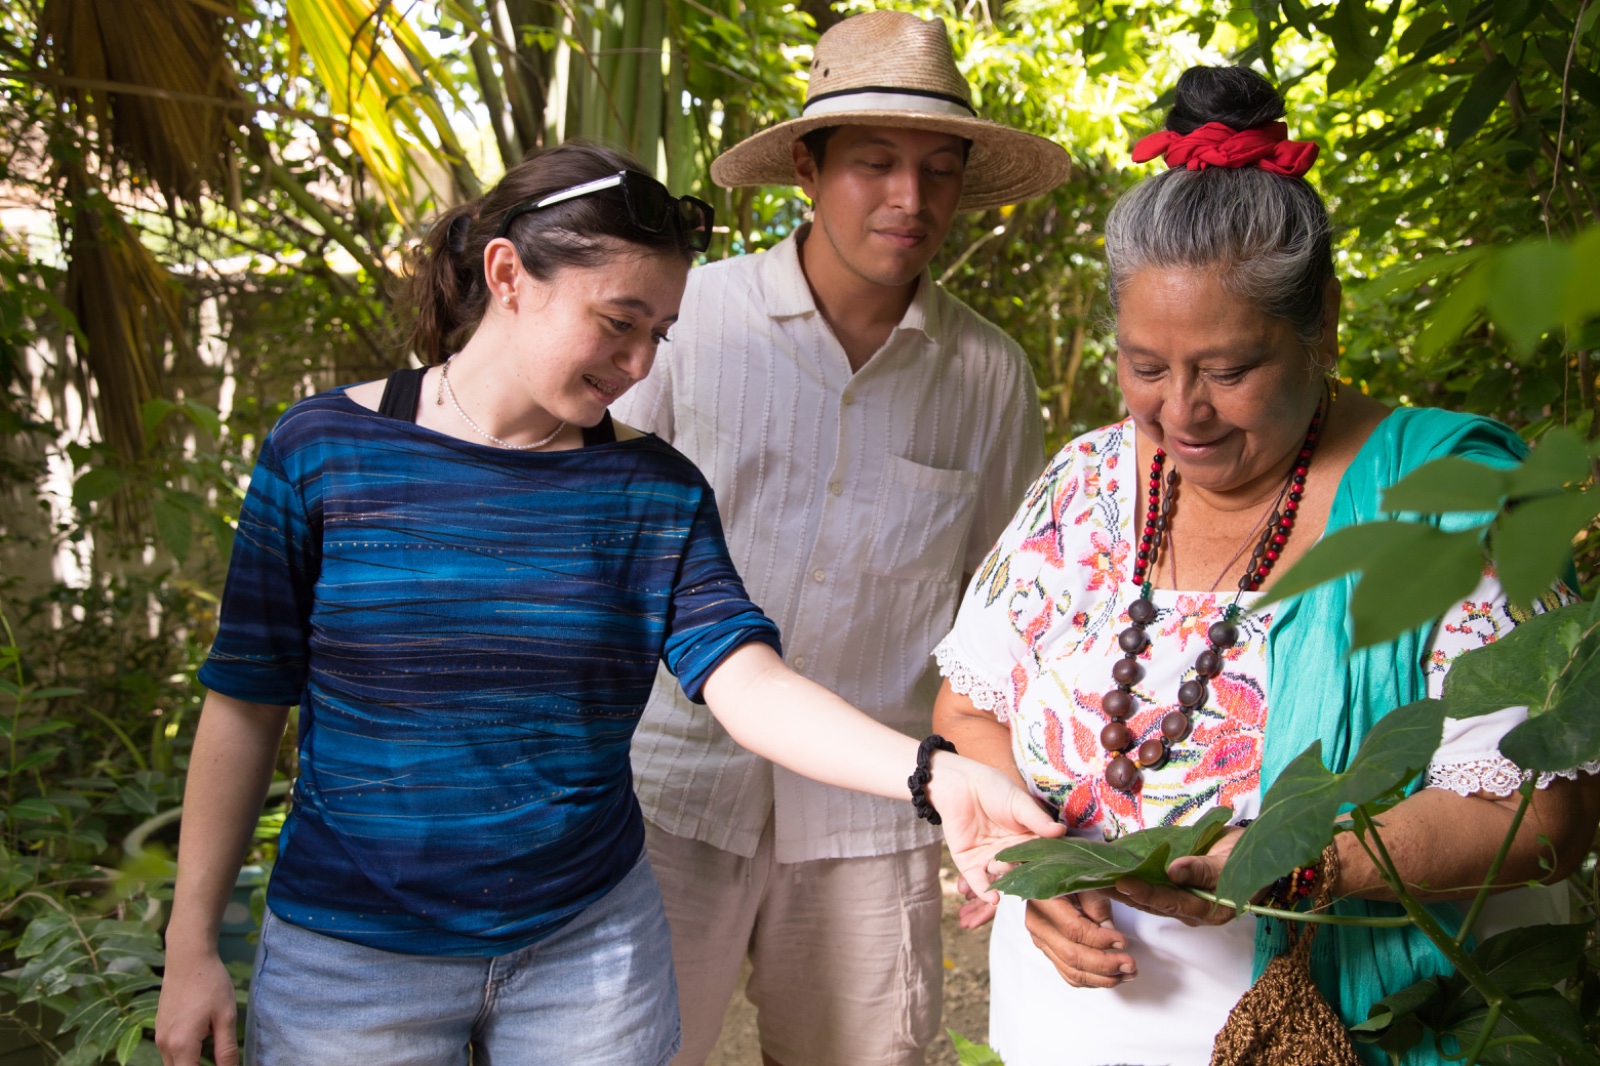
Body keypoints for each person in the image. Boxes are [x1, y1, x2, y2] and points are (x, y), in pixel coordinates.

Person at [150, 142, 1062, 1066]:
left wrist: (938, 775)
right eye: (618, 322)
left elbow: (749, 681)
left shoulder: (652, 490)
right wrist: (191, 948)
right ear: (508, 273)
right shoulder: (323, 452)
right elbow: (245, 703)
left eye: (658, 334)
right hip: (351, 960)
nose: (637, 363)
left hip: (587, 955)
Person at [930, 66, 1600, 1066]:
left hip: (1351, 1024)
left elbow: (1545, 810)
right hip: (1069, 1021)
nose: (1181, 412)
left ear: (1320, 323)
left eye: (1228, 369)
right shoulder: (1083, 484)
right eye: (1145, 365)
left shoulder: (1451, 494)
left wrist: (1302, 867)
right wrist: (1038, 866)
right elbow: (967, 711)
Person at [608, 11, 1069, 1066]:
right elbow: (597, 547)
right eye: (873, 164)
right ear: (808, 171)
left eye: (937, 169)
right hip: (666, 787)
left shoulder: (987, 375)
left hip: (875, 810)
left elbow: (1001, 615)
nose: (910, 200)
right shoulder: (689, 322)